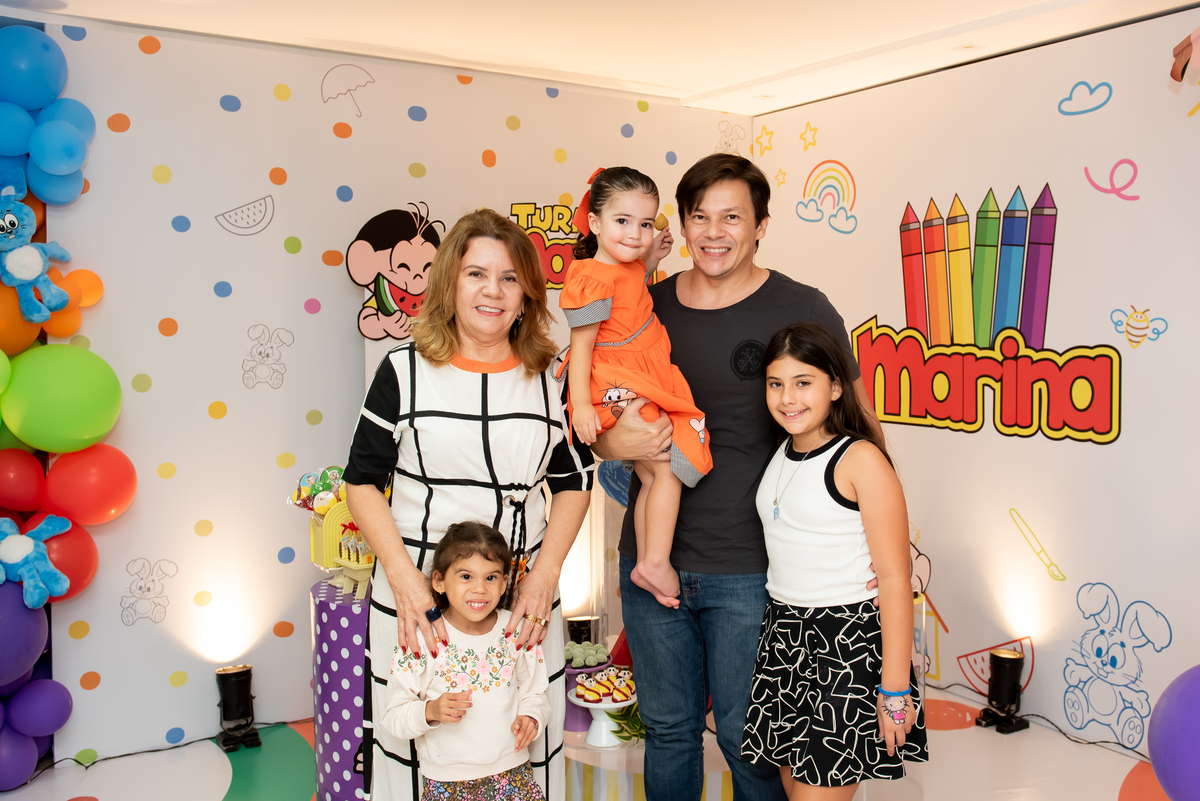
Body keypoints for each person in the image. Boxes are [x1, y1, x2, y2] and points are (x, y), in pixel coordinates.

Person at [592, 153, 877, 801]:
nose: (714, 232)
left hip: (752, 567)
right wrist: (616, 440)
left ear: (761, 226)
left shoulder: (801, 307)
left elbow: (856, 429)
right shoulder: (646, 306)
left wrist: (884, 541)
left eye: (731, 217)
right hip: (651, 561)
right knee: (667, 733)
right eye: (700, 217)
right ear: (682, 225)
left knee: (750, 742)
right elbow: (599, 420)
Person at [344, 209, 594, 801]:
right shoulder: (403, 370)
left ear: (527, 293)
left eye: (509, 278)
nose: (493, 291)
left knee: (522, 738)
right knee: (419, 740)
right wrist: (405, 581)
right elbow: (361, 483)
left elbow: (574, 482)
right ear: (450, 283)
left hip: (521, 592)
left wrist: (544, 577)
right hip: (418, 591)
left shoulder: (552, 379)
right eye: (476, 274)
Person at [742, 323, 927, 799]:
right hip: (784, 638)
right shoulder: (782, 450)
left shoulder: (860, 459)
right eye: (776, 384)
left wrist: (894, 692)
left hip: (845, 646)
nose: (788, 398)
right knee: (793, 789)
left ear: (836, 387)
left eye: (804, 382)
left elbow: (894, 579)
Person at [560, 166, 711, 608]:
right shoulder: (591, 278)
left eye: (645, 224)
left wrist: (651, 262)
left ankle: (648, 561)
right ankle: (655, 560)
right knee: (664, 468)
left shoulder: (623, 267)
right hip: (618, 382)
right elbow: (581, 350)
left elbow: (629, 289)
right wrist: (581, 406)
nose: (635, 233)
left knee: (650, 473)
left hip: (637, 372)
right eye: (622, 221)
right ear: (595, 223)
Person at [381, 521, 550, 801]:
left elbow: (535, 693)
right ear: (439, 581)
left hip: (514, 776)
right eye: (466, 576)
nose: (480, 589)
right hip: (446, 785)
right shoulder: (423, 639)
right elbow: (393, 716)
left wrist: (532, 717)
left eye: (491, 577)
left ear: (504, 583)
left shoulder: (516, 630)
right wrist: (431, 710)